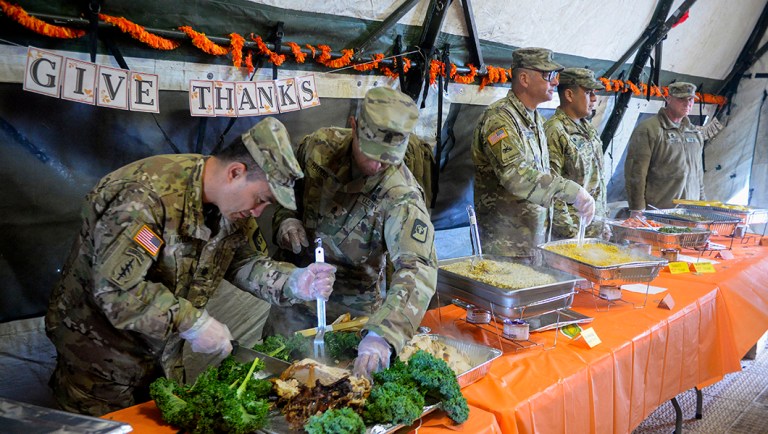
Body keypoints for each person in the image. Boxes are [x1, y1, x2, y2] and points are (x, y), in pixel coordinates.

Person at [45, 117, 337, 416]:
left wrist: (293, 281)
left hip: (163, 361)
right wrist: (191, 322)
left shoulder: (232, 209)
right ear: (236, 173)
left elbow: (244, 261)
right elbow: (117, 292)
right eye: (261, 199)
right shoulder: (145, 196)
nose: (258, 212)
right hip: (98, 364)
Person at [269, 86, 437, 378]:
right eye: (371, 154)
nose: (376, 165)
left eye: (387, 160)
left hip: (351, 316)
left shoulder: (401, 194)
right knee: (276, 380)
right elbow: (285, 193)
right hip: (292, 298)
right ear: (354, 126)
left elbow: (418, 268)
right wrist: (285, 220)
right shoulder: (317, 147)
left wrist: (382, 335)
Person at [471, 47, 596, 258]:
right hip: (505, 247)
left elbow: (540, 172)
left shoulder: (535, 119)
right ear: (524, 78)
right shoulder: (500, 118)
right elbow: (514, 175)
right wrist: (570, 191)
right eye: (549, 76)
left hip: (532, 241)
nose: (556, 82)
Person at [544, 67, 610, 239]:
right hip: (572, 236)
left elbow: (598, 181)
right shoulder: (555, 131)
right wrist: (570, 236)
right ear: (569, 95)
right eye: (589, 92)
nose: (595, 98)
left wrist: (603, 223)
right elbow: (552, 188)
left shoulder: (588, 128)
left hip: (593, 231)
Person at [624, 81, 706, 215]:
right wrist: (637, 209)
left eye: (691, 99)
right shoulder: (649, 129)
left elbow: (699, 175)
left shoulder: (694, 134)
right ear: (668, 98)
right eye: (681, 99)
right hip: (660, 212)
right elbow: (636, 173)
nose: (687, 103)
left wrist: (702, 205)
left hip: (691, 212)